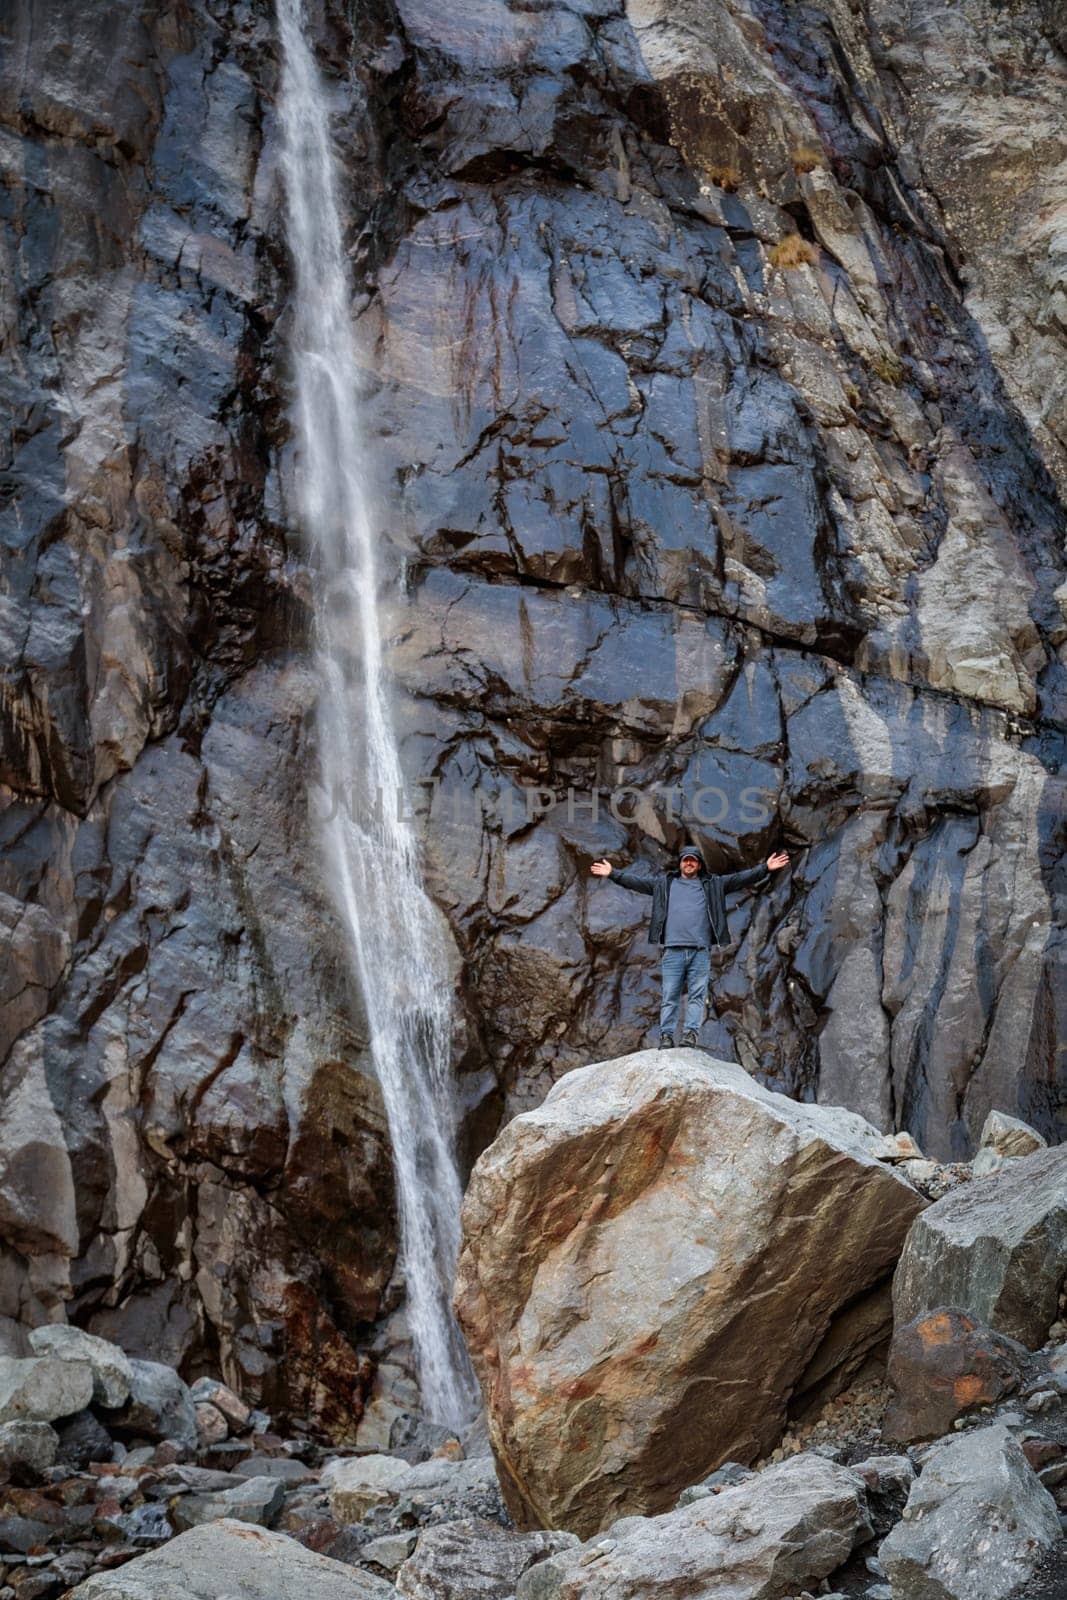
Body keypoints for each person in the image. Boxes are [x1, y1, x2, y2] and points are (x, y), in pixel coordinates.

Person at [589, 844, 790, 1047]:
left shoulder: (714, 884)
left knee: (696, 996)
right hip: (673, 950)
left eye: (693, 860)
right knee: (669, 996)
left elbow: (741, 878)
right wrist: (612, 873)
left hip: (700, 951)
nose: (689, 863)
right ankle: (666, 1036)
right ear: (680, 863)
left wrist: (765, 868)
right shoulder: (664, 884)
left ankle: (690, 1036)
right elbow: (636, 882)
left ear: (699, 864)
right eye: (686, 859)